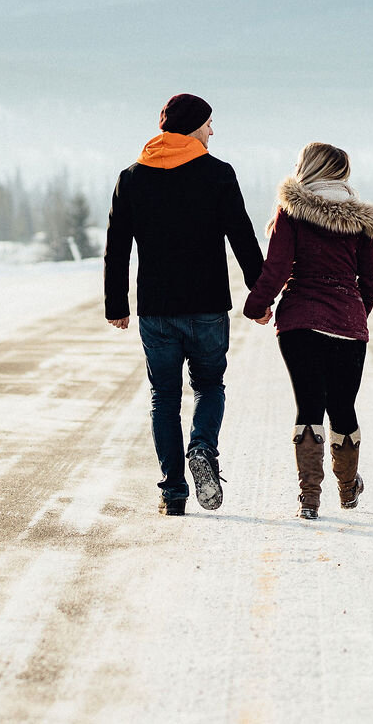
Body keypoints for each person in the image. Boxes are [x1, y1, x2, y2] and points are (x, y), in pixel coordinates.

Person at [105, 93, 265, 516]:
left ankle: (173, 492)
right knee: (209, 386)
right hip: (207, 305)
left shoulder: (132, 177)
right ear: (193, 125)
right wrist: (260, 293)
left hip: (155, 309)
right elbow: (242, 237)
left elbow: (117, 248)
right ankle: (203, 449)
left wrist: (115, 303)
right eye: (210, 123)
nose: (213, 131)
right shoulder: (217, 174)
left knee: (164, 397)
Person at [242, 142, 373, 519]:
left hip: (298, 322)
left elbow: (277, 267)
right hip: (348, 323)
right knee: (342, 405)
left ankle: (309, 498)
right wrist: (357, 312)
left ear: (308, 168)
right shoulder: (360, 219)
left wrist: (256, 304)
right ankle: (348, 489)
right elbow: (371, 277)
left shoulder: (291, 209)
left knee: (309, 405)